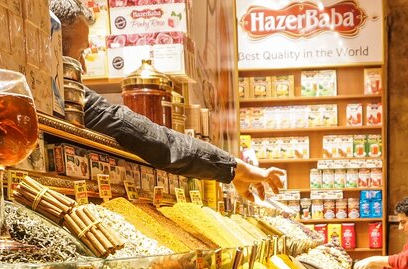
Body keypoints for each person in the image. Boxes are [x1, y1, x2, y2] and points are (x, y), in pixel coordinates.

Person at [50, 0, 284, 201]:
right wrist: (232, 169)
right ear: (50, 45)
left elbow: (146, 134)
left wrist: (232, 169)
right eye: (80, 53)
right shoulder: (56, 91)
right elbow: (143, 134)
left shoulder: (69, 96)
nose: (83, 66)